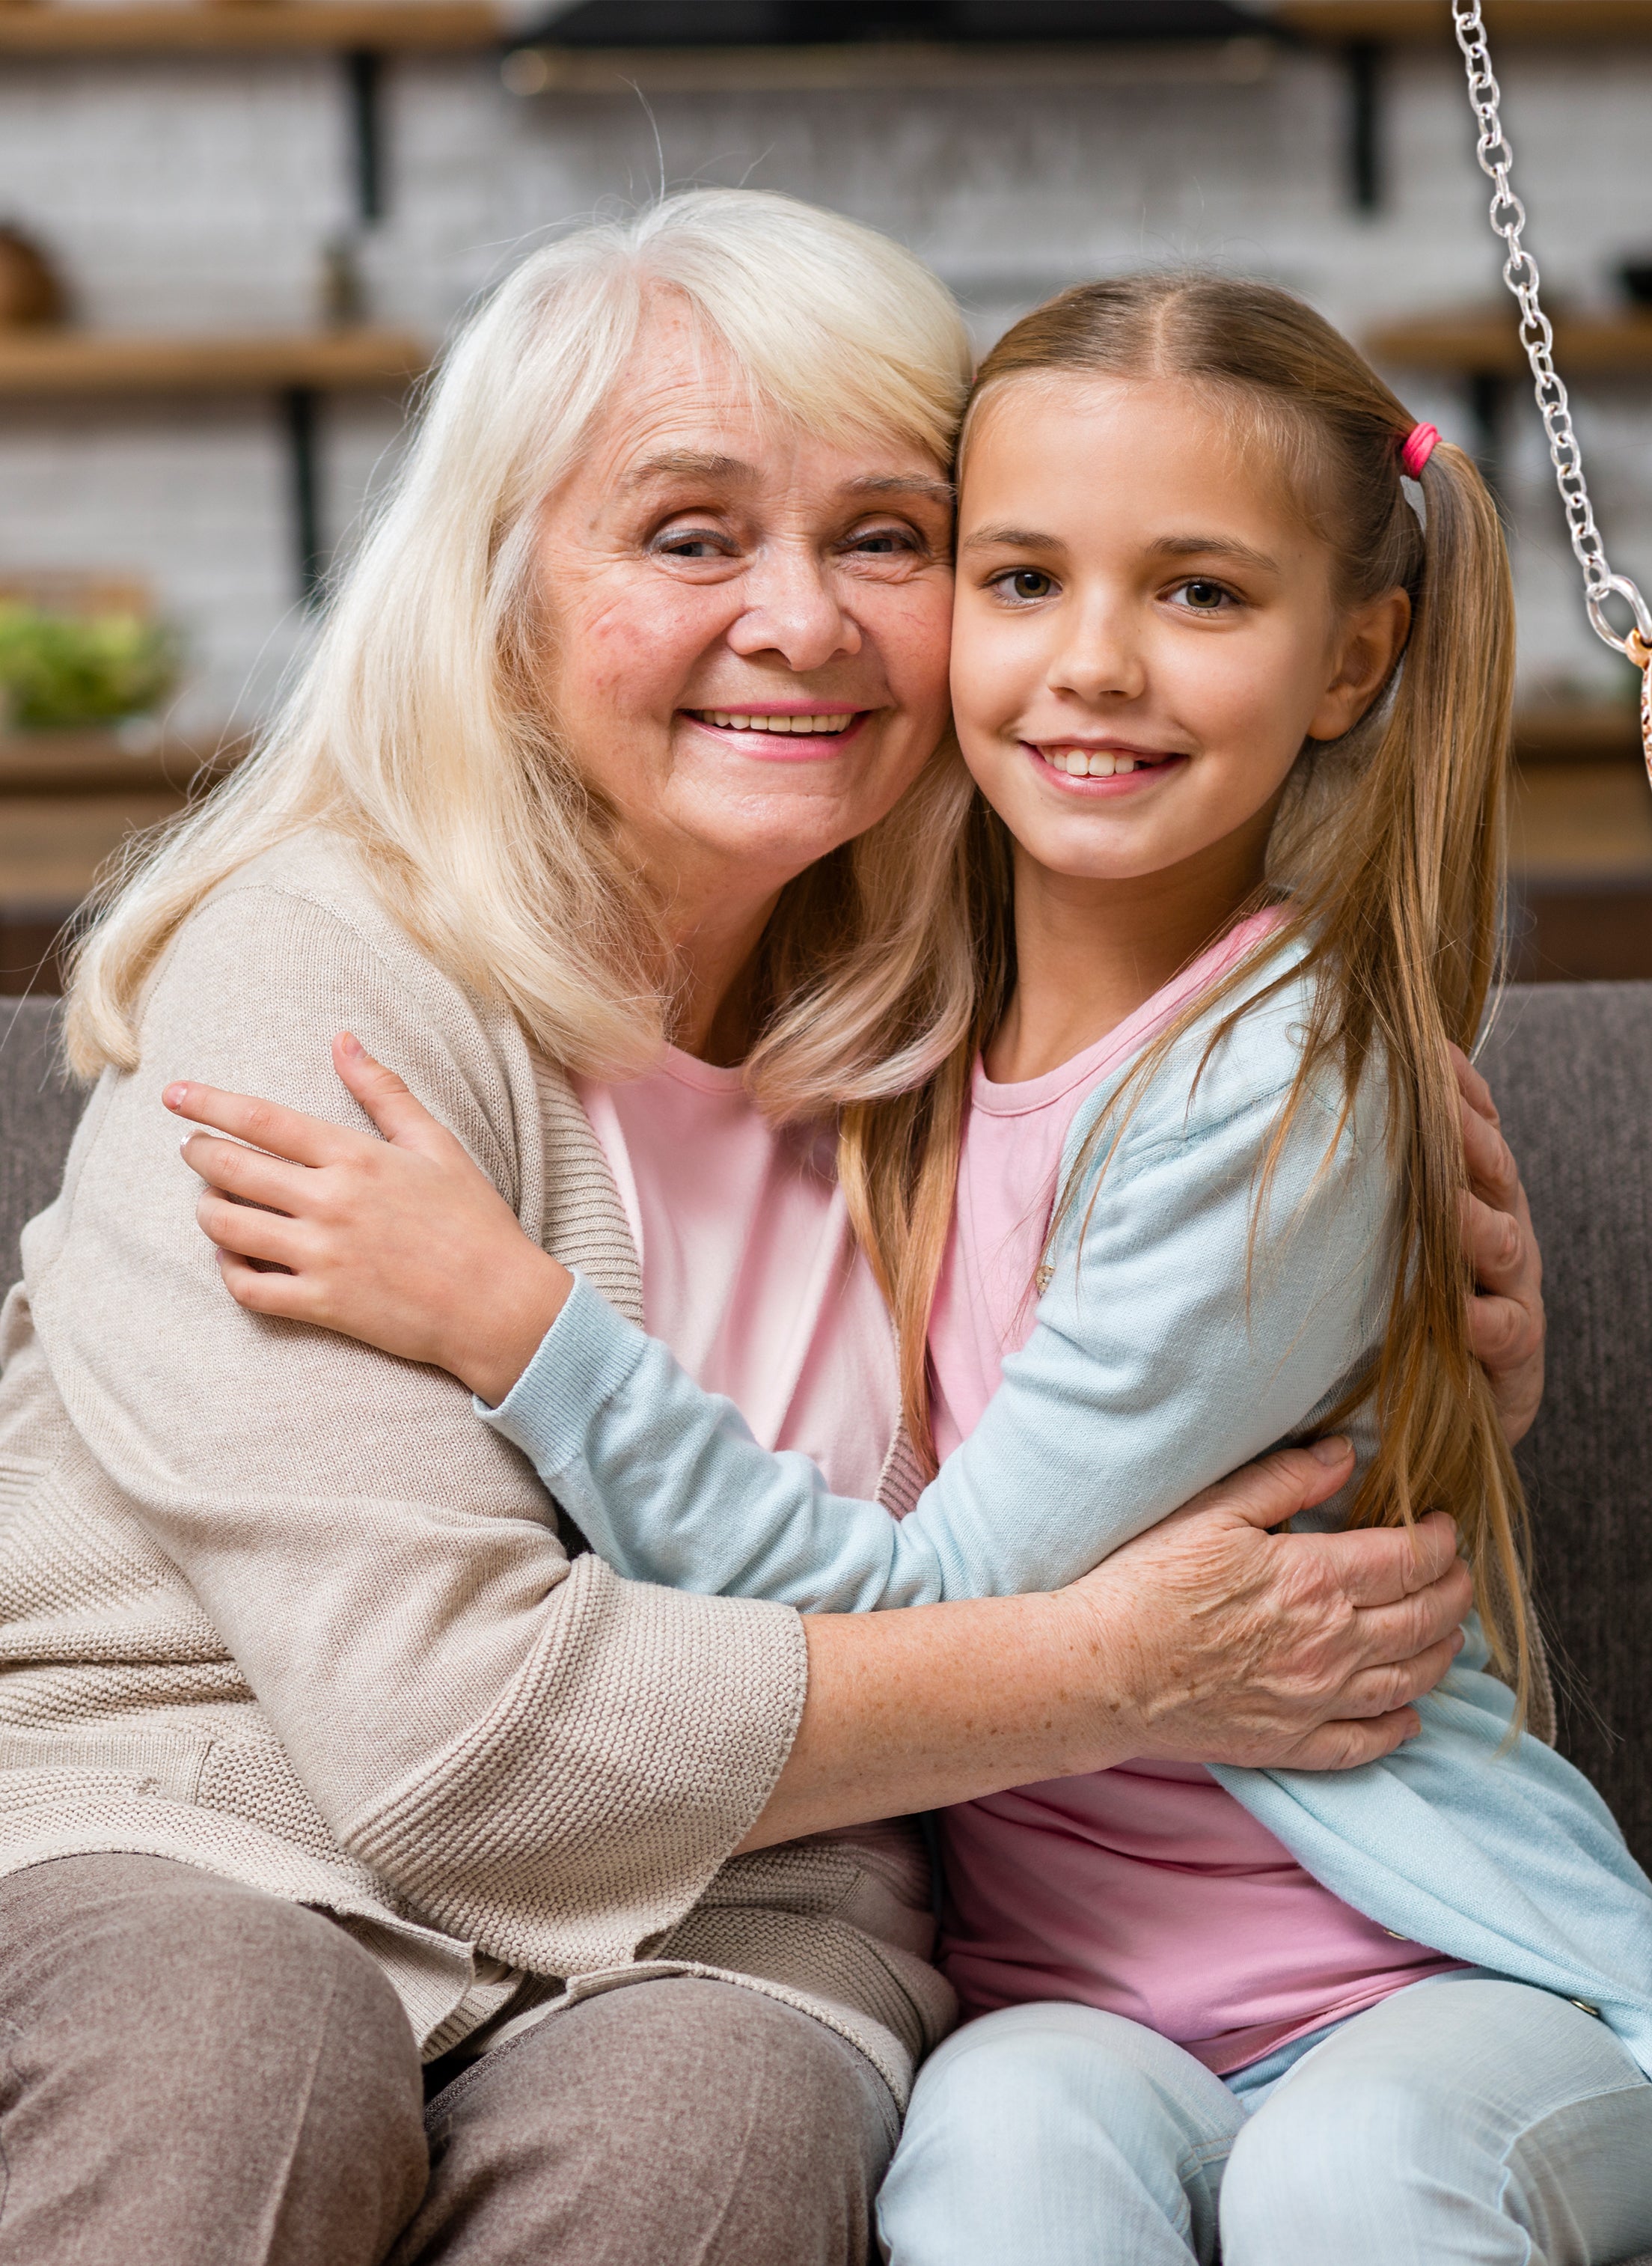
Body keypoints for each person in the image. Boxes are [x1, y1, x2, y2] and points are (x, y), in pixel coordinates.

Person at [0, 199, 1539, 2266]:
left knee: (713, 2133)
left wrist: (1414, 1364)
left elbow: (1141, 1396)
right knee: (240, 2043)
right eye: (691, 534)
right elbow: (456, 1736)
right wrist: (1107, 1671)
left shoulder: (982, 1001)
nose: (802, 621)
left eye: (886, 539)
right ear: (504, 588)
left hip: (752, 1898)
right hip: (206, 1823)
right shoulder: (319, 981)